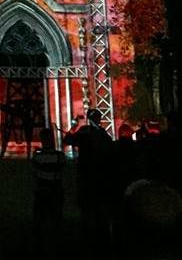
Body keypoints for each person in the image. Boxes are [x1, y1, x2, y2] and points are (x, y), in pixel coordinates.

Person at [63, 109, 114, 243]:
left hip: (87, 175)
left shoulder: (85, 133)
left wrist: (74, 126)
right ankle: (101, 237)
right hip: (99, 176)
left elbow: (67, 139)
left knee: (87, 209)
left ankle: (89, 237)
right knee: (98, 210)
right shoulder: (102, 135)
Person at [32, 127, 66, 255]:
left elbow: (35, 171)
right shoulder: (59, 156)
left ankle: (40, 246)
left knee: (40, 219)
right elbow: (61, 170)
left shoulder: (38, 156)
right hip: (55, 189)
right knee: (55, 218)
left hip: (43, 189)